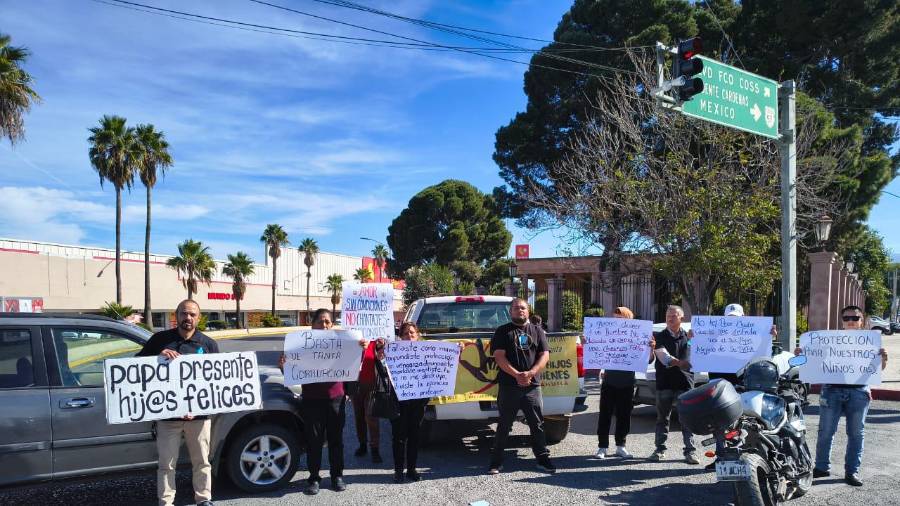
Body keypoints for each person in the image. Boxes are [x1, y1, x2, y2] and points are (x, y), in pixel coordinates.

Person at [137, 299, 219, 506]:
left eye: (192, 314)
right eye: (184, 313)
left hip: (198, 417)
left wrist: (199, 407)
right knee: (166, 464)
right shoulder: (159, 340)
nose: (188, 318)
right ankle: (166, 501)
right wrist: (156, 356)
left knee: (202, 462)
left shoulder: (208, 344)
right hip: (167, 417)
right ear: (176, 316)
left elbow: (216, 382)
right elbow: (135, 366)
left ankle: (203, 499)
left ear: (198, 318)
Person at [796, 305, 888, 486]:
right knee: (825, 431)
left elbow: (878, 370)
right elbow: (812, 362)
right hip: (831, 390)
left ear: (862, 321)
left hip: (859, 391)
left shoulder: (870, 342)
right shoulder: (830, 341)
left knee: (856, 434)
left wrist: (883, 359)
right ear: (842, 321)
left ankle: (852, 471)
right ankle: (822, 467)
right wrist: (801, 355)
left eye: (855, 318)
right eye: (847, 318)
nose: (851, 321)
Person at [278, 308, 361, 495]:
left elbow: (354, 365)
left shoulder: (342, 344)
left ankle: (337, 476)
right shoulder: (301, 346)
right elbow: (293, 375)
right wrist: (284, 367)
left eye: (327, 322)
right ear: (312, 324)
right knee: (313, 442)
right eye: (320, 321)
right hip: (312, 401)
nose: (323, 325)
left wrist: (359, 349)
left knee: (336, 441)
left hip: (335, 400)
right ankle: (314, 478)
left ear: (332, 325)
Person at [488, 298, 555, 474]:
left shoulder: (538, 331)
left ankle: (543, 459)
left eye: (523, 308)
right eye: (516, 308)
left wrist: (531, 373)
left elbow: (545, 355)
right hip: (509, 385)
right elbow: (499, 356)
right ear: (510, 312)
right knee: (504, 424)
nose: (520, 310)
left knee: (537, 423)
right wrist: (516, 375)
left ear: (529, 311)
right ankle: (496, 462)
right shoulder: (502, 331)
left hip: (532, 386)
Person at [370, 322, 431, 483]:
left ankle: (411, 469)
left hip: (418, 402)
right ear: (400, 337)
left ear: (417, 335)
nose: (409, 336)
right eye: (405, 334)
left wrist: (457, 351)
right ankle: (398, 471)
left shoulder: (427, 353)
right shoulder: (393, 352)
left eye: (412, 333)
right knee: (399, 437)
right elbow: (383, 371)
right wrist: (380, 357)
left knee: (414, 436)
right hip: (398, 401)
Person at [594, 306, 655, 459]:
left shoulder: (639, 335)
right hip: (609, 381)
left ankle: (621, 446)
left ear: (628, 320)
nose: (617, 321)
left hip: (627, 383)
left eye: (620, 318)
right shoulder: (607, 334)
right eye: (615, 318)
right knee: (605, 415)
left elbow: (648, 360)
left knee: (624, 416)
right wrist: (589, 343)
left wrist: (651, 349)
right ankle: (602, 447)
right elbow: (598, 351)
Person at [650, 305, 698, 464]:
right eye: (667, 315)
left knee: (687, 419)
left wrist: (693, 342)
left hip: (685, 383)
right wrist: (680, 363)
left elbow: (693, 355)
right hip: (664, 383)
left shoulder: (689, 337)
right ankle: (659, 450)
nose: (670, 318)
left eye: (673, 316)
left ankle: (690, 452)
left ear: (681, 318)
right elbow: (665, 359)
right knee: (662, 418)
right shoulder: (658, 337)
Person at [350, 341, 382, 464]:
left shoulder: (375, 339)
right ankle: (362, 444)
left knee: (371, 416)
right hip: (355, 382)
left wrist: (380, 345)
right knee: (359, 416)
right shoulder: (351, 336)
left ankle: (375, 448)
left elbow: (383, 353)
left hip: (372, 382)